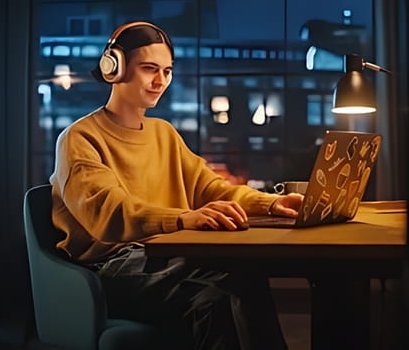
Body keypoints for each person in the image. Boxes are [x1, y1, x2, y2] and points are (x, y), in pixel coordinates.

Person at [49, 21, 303, 350]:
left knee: (247, 278)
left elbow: (211, 188)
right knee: (215, 298)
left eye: (167, 71)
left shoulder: (163, 133)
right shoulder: (79, 139)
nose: (160, 81)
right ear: (114, 67)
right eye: (149, 69)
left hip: (165, 256)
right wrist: (184, 218)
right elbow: (110, 213)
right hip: (108, 270)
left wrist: (270, 203)